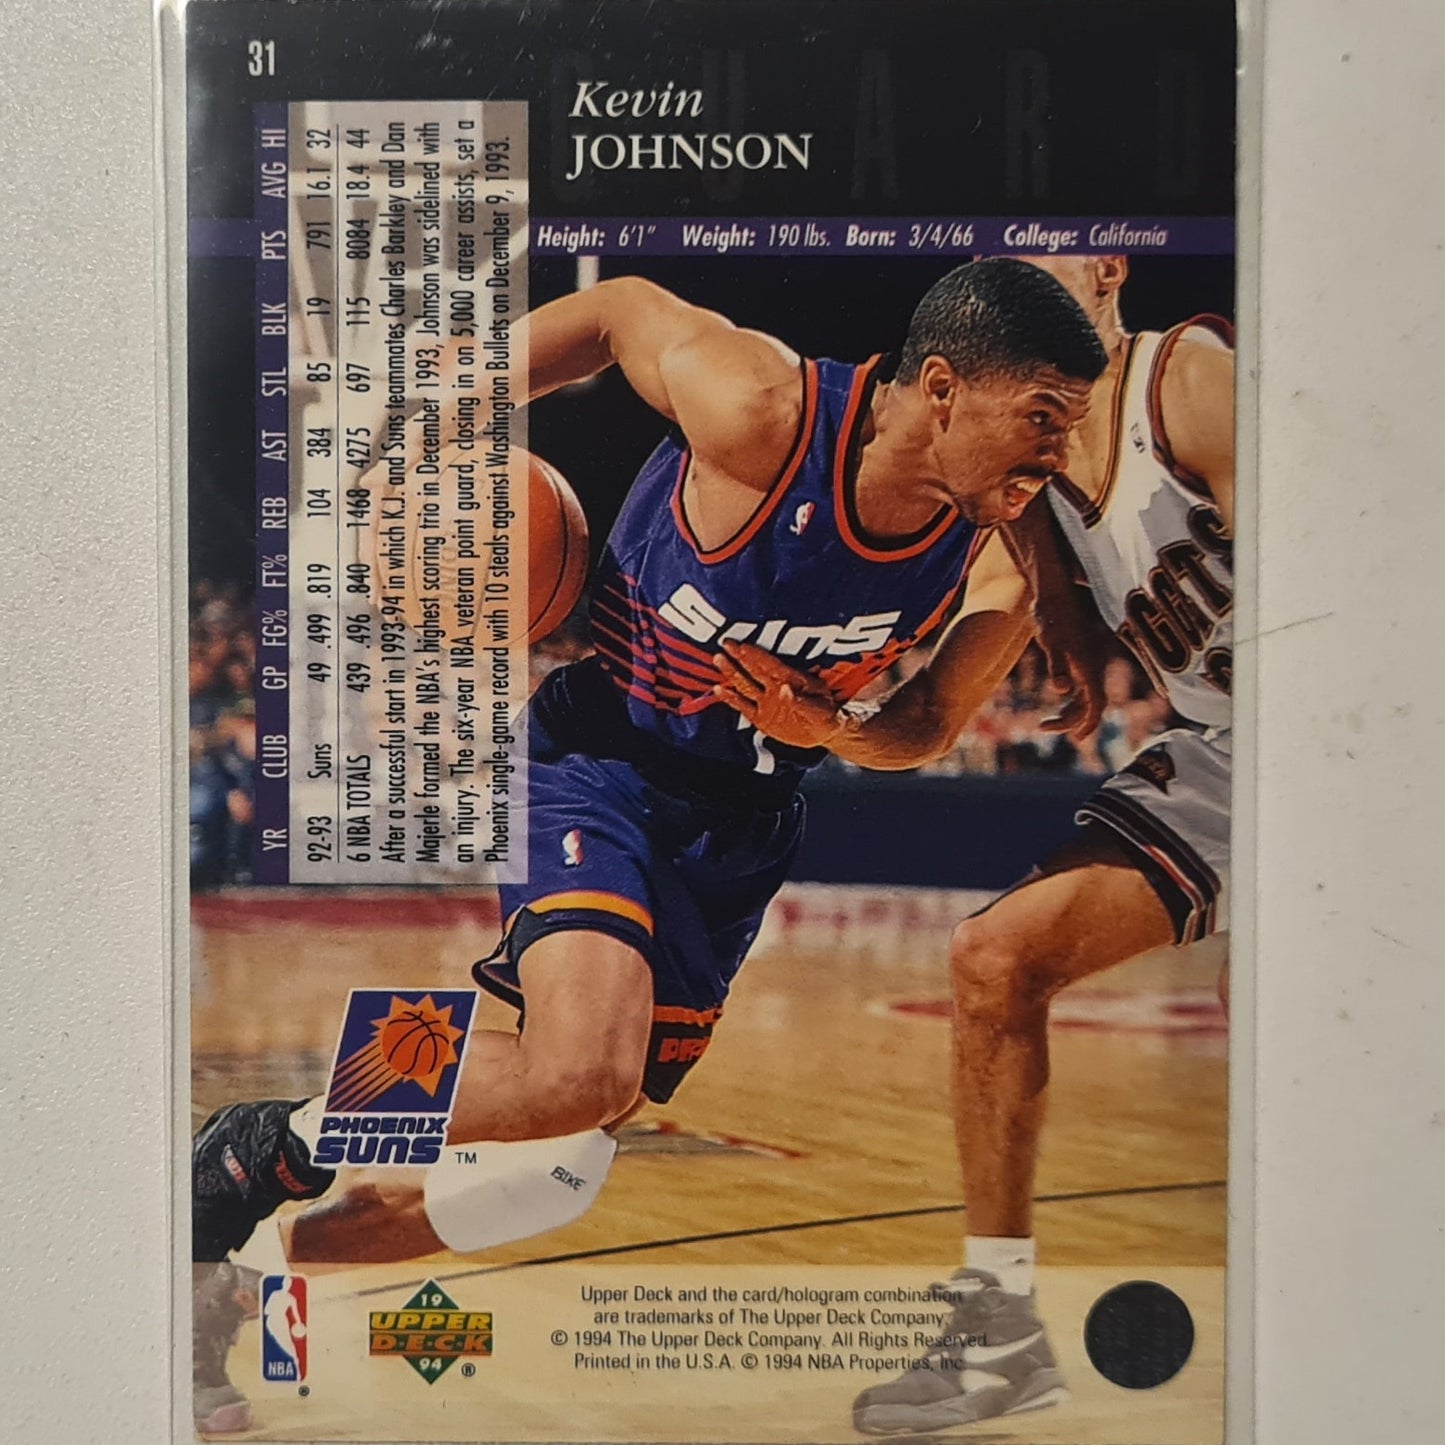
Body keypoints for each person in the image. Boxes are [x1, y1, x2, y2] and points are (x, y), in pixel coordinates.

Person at [189, 259, 1107, 1429]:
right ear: (940, 388)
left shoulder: (1009, 553)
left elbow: (923, 725)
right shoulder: (761, 410)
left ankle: (238, 1269)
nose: (1055, 453)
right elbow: (617, 308)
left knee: (551, 1174)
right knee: (581, 1068)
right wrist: (446, 408)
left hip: (741, 830)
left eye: (1070, 425)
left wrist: (832, 727)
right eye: (1040, 418)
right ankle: (257, 1147)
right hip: (599, 761)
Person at [713, 253, 1233, 1432]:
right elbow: (928, 723)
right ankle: (999, 1333)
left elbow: (1344, 596)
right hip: (1226, 752)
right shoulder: (1022, 491)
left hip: (1339, 746)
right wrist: (825, 726)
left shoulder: (1187, 386)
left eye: (1043, 258)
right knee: (991, 960)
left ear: (1105, 275)